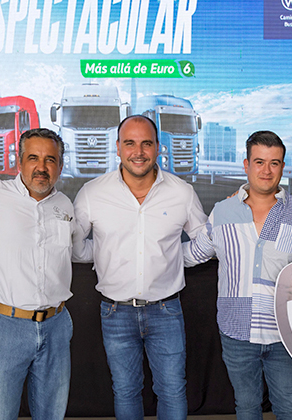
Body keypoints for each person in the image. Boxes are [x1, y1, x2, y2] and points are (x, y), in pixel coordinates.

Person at [73, 115, 207, 419]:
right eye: (130, 143)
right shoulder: (92, 193)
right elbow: (76, 246)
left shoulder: (182, 192)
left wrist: (177, 258)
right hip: (115, 312)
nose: (139, 151)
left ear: (158, 147)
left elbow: (205, 240)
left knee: (173, 390)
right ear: (117, 147)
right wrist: (104, 254)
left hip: (166, 310)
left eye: (146, 143)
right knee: (125, 390)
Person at [184, 131, 292, 419]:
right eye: (259, 162)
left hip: (285, 334)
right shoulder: (222, 212)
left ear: (282, 167)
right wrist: (153, 251)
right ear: (246, 165)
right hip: (236, 332)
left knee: (289, 408)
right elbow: (194, 253)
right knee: (246, 407)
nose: (266, 170)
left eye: (274, 163)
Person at [0, 128, 85, 419]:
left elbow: (78, 252)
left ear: (60, 166)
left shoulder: (64, 205)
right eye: (33, 158)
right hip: (4, 326)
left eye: (50, 159)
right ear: (19, 162)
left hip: (56, 325)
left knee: (52, 414)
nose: (42, 167)